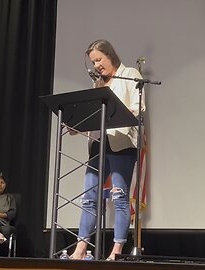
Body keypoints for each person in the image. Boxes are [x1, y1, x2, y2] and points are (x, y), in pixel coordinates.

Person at [70, 39, 145, 261]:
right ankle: (81, 247)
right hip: (98, 144)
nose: (96, 66)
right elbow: (95, 115)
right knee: (89, 198)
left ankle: (116, 251)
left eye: (99, 59)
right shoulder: (99, 84)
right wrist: (80, 124)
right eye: (93, 62)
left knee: (119, 197)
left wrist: (117, 114)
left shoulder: (130, 74)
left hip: (121, 143)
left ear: (110, 55)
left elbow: (138, 108)